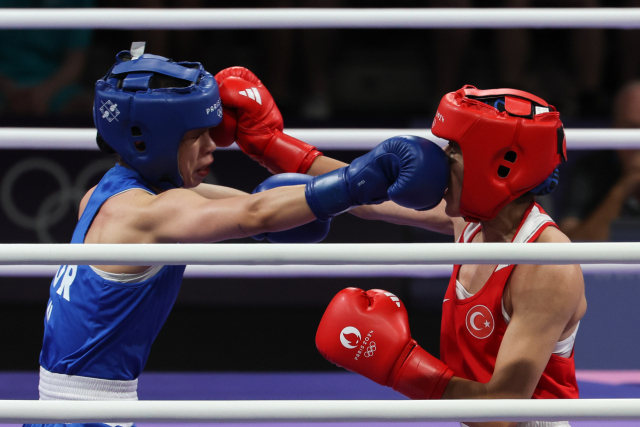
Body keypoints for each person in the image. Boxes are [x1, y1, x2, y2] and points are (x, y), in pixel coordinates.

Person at [26, 46, 450, 427]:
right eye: (196, 137)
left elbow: (270, 204)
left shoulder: (106, 194)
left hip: (75, 412)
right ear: (148, 143)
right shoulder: (144, 213)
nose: (213, 146)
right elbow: (256, 214)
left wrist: (280, 149)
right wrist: (362, 177)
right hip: (87, 419)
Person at [292, 86, 585, 427]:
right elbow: (363, 197)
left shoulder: (546, 262)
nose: (440, 161)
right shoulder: (473, 224)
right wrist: (272, 146)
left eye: (454, 150)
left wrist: (403, 368)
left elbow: (501, 413)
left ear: (501, 167)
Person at [560, 81, 640, 241]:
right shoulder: (590, 170)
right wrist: (624, 187)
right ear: (614, 129)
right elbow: (573, 246)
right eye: (633, 128)